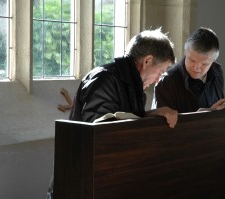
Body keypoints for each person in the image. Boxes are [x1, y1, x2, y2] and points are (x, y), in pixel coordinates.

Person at [46, 28, 178, 198]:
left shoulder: (131, 85)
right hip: (80, 186)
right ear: (147, 61)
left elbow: (124, 121)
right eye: (160, 72)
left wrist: (153, 114)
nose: (158, 79)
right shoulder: (105, 79)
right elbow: (99, 136)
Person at [152, 27, 225, 112]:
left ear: (213, 61)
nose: (196, 67)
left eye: (204, 64)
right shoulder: (166, 82)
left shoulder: (217, 72)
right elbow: (160, 124)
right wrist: (203, 116)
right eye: (192, 60)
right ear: (185, 52)